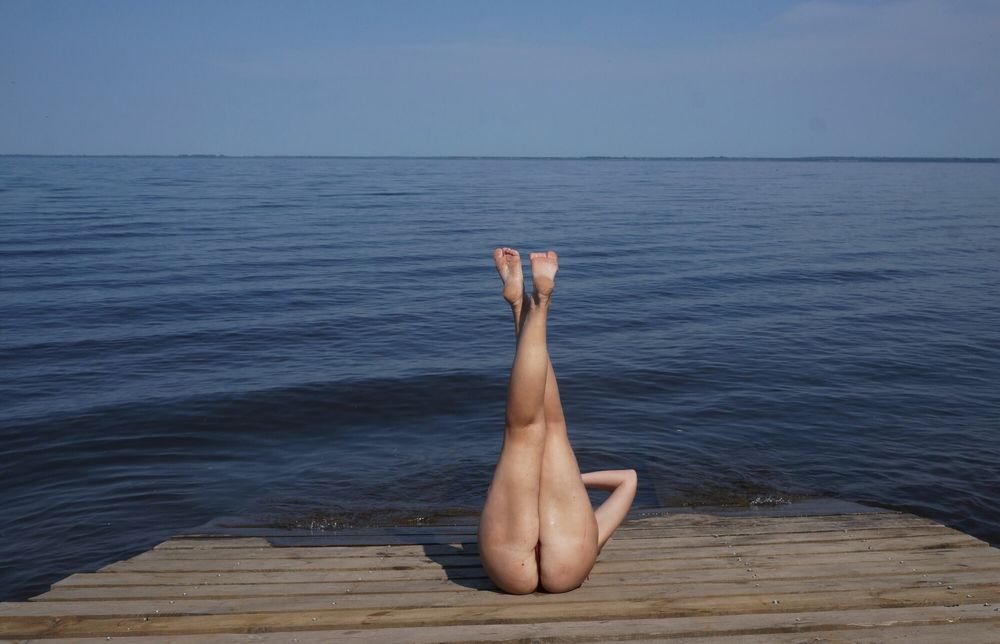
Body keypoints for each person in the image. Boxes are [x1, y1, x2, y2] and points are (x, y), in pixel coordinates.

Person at [478, 248, 638, 594]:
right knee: (522, 431)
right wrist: (573, 483)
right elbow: (630, 478)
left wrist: (573, 485)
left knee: (547, 428)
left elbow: (628, 480)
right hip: (547, 566)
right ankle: (527, 305)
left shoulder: (596, 530)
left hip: (545, 558)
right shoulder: (593, 532)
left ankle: (530, 305)